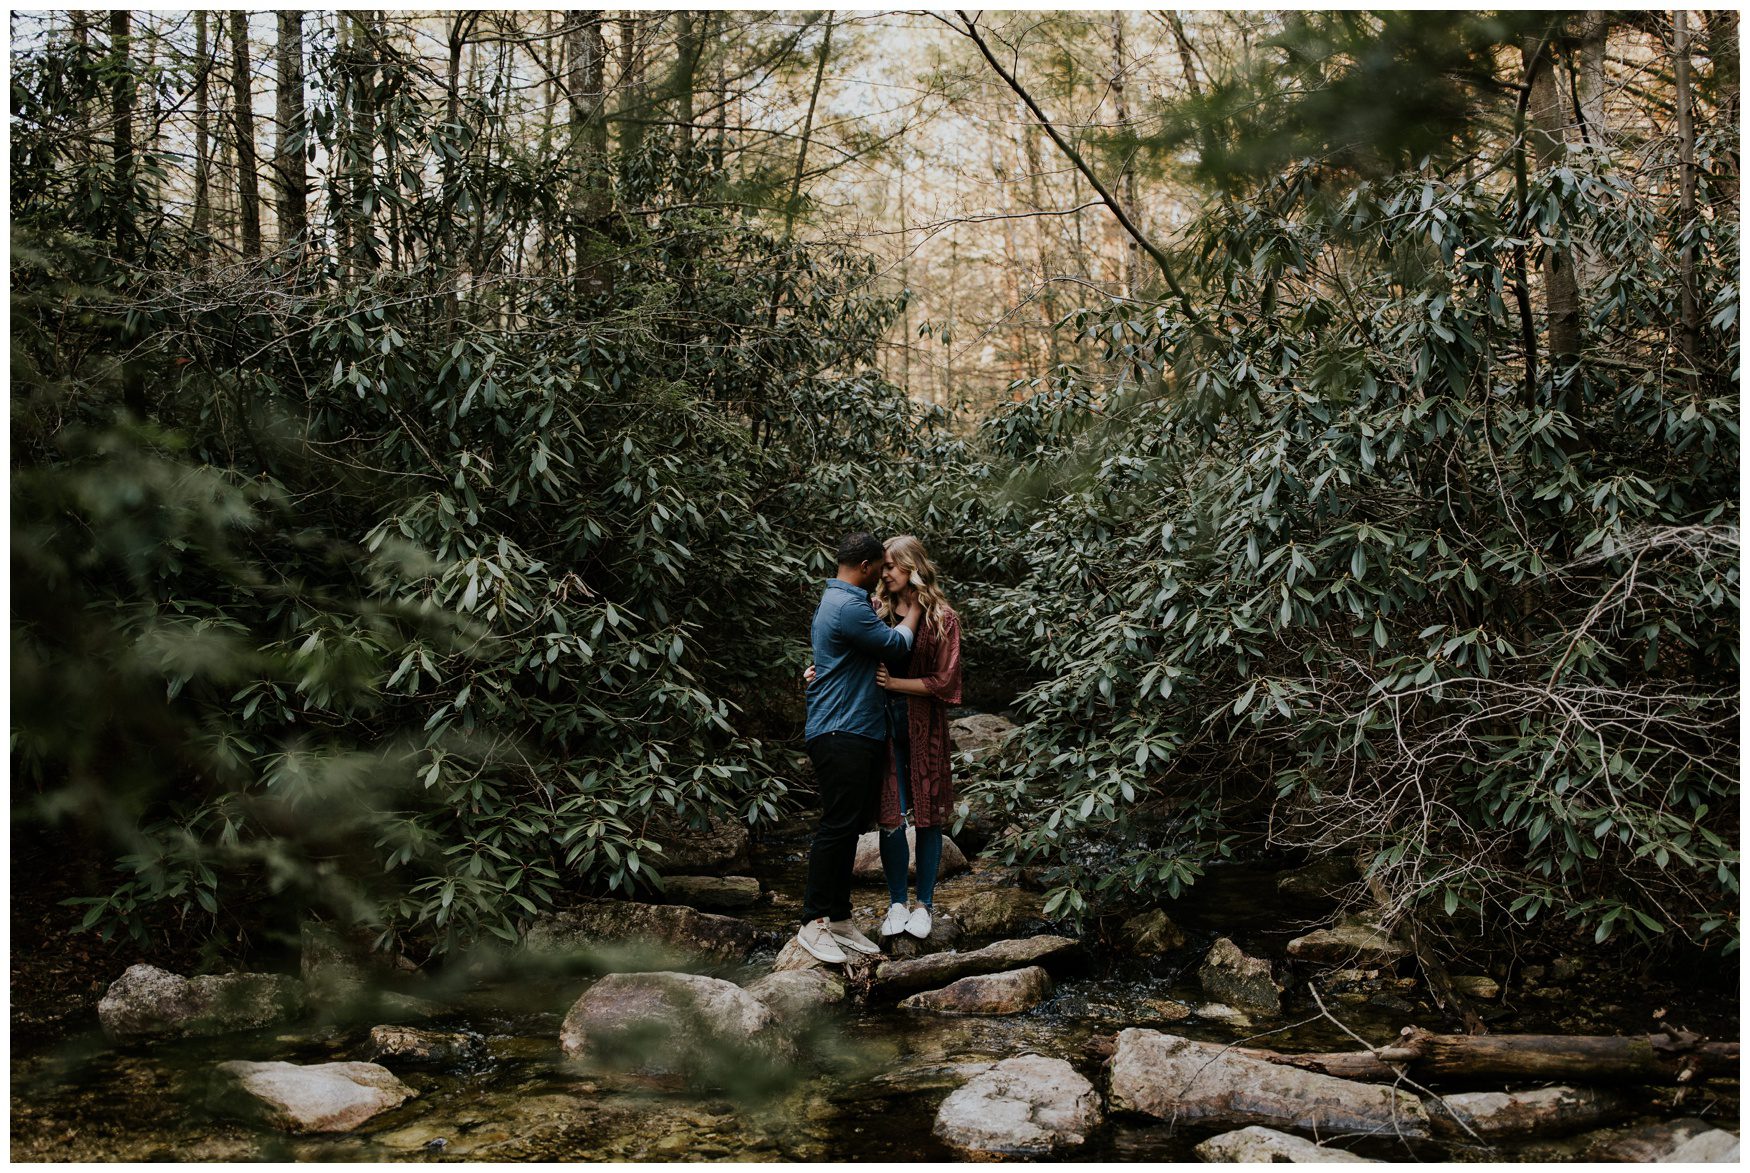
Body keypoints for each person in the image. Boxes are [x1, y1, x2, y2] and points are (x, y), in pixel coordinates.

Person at [795, 533, 922, 964]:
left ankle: (839, 918)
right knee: (836, 826)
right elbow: (895, 644)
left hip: (856, 729)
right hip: (840, 730)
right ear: (866, 566)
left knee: (848, 826)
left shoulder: (841, 603)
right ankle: (813, 922)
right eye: (881, 566)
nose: (884, 574)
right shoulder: (848, 606)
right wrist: (918, 608)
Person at [871, 535, 962, 940]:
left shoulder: (943, 617)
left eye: (891, 565)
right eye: (883, 566)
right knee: (891, 817)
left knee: (928, 819)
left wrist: (895, 683)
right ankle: (896, 903)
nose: (884, 572)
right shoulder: (876, 611)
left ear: (912, 567)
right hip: (882, 728)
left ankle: (924, 904)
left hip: (926, 729)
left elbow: (947, 683)